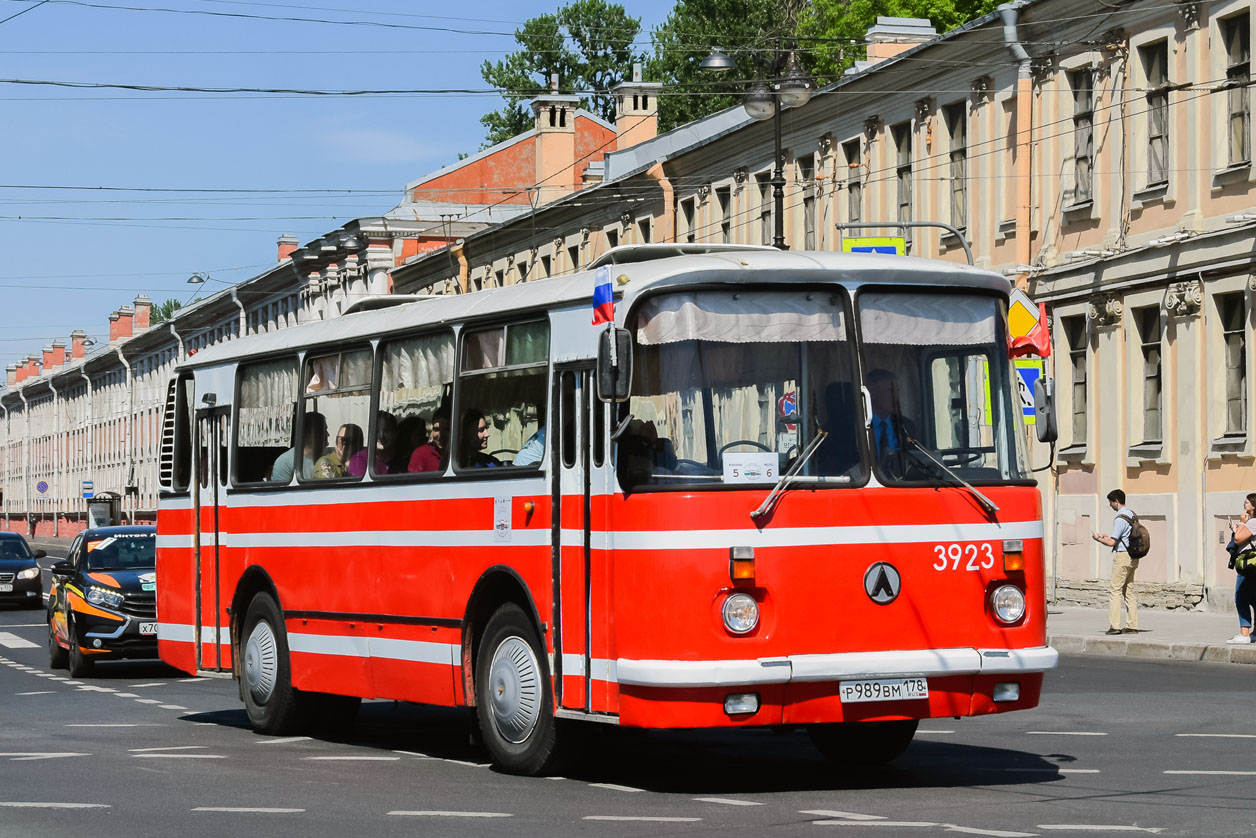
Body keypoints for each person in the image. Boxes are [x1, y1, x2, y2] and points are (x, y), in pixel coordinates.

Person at [1091, 488, 1139, 636]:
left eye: (1111, 502)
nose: (1110, 505)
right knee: (1129, 591)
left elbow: (1112, 542)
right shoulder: (1132, 514)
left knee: (1115, 590)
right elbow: (1121, 537)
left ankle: (1115, 626)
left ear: (1116, 502)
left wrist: (1098, 539)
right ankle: (1132, 625)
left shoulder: (1119, 519)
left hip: (1123, 557)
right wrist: (1108, 537)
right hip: (1134, 556)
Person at [866, 368, 916, 476]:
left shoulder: (907, 426)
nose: (896, 397)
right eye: (891, 391)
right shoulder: (854, 428)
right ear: (872, 394)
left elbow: (915, 464)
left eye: (897, 391)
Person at [1225, 493, 1256, 644]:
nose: (1244, 504)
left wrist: (1242, 523)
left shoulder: (1253, 522)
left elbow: (1238, 538)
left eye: (1247, 502)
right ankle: (1255, 633)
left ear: (1253, 506)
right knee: (1254, 598)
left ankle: (1244, 633)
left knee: (1240, 597)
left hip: (1248, 565)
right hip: (1252, 565)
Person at [271, 411, 328, 483]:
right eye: (323, 431)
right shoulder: (285, 462)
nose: (328, 434)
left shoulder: (331, 456)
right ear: (307, 434)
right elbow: (280, 492)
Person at [348, 411, 399, 477]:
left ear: (396, 433)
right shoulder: (359, 461)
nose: (381, 436)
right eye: (376, 431)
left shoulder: (403, 459)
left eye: (386, 430)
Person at [408, 408, 449, 473]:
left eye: (446, 430)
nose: (441, 435)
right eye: (436, 429)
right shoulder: (420, 454)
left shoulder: (459, 454)